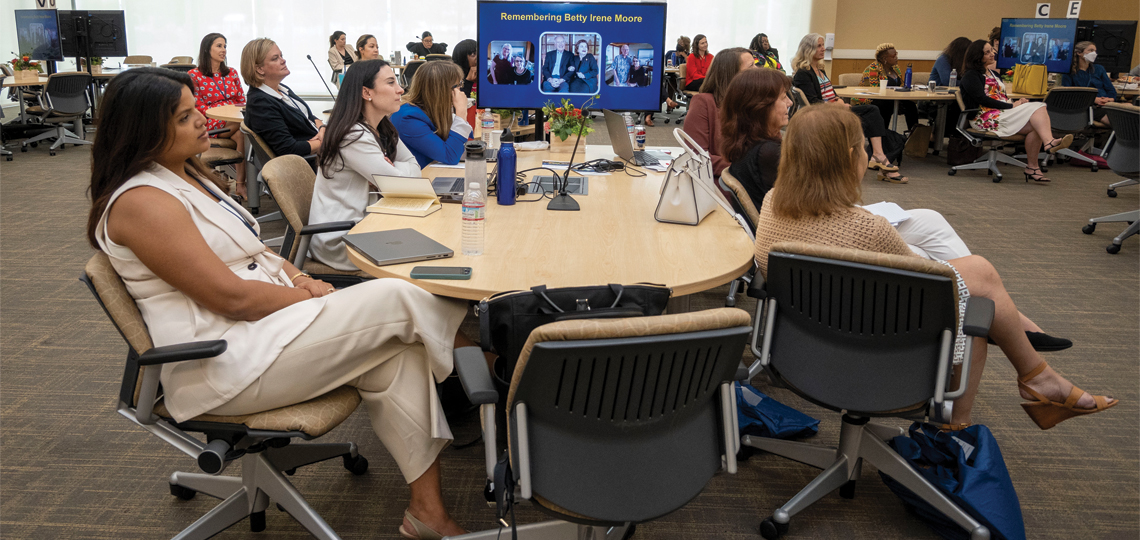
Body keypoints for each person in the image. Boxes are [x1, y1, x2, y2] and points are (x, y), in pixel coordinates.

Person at [87, 67, 477, 539]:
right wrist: (301, 295)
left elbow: (256, 248)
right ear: (145, 131)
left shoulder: (188, 176)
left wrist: (300, 274)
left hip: (266, 334)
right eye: (186, 116)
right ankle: (488, 367)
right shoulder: (141, 202)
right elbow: (229, 296)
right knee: (398, 295)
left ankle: (427, 514)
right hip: (222, 361)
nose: (203, 120)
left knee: (399, 354)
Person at [752, 104, 1117, 430]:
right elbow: (942, 294)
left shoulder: (772, 203)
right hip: (875, 355)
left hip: (799, 351)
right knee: (980, 303)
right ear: (851, 157)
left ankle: (1037, 373)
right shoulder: (867, 229)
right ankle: (958, 429)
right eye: (863, 145)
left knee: (968, 274)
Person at [724, 69, 1076, 350]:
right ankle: (1006, 322)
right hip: (843, 274)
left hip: (810, 251)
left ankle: (1009, 319)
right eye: (781, 98)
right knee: (970, 274)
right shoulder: (771, 154)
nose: (789, 102)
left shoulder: (763, 152)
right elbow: (815, 204)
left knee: (930, 220)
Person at [310, 59, 421, 271]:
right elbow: (402, 187)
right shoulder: (354, 135)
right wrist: (393, 175)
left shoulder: (382, 126)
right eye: (390, 83)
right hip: (343, 239)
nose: (400, 89)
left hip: (367, 222)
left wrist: (391, 171)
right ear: (366, 92)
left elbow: (414, 168)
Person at [791, 33, 909, 183]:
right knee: (872, 112)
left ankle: (879, 156)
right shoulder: (803, 73)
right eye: (819, 46)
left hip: (834, 110)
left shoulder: (820, 70)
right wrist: (838, 106)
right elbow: (813, 103)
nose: (823, 49)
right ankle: (879, 157)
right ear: (808, 49)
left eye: (823, 45)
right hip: (823, 115)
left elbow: (830, 93)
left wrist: (840, 101)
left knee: (872, 115)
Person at [960, 39, 1073, 182]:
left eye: (992, 50)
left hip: (1002, 113)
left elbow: (1002, 98)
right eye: (987, 52)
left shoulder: (994, 74)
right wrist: (1011, 106)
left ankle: (1032, 167)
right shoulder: (971, 76)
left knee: (1036, 125)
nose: (992, 54)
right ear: (977, 56)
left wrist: (1017, 103)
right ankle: (1049, 142)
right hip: (984, 118)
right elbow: (983, 100)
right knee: (1039, 106)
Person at [241, 38, 324, 158]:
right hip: (311, 162)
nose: (283, 60)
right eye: (275, 58)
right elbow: (288, 149)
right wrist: (327, 141)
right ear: (259, 69)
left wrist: (323, 128)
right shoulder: (260, 103)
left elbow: (308, 117)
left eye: (281, 56)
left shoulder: (282, 89)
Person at [188, 33, 247, 200]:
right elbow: (198, 107)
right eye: (219, 46)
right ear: (207, 49)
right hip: (211, 122)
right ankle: (243, 185)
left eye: (225, 46)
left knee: (241, 132)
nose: (224, 50)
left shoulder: (232, 73)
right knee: (248, 124)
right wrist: (223, 114)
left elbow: (241, 101)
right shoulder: (195, 75)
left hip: (233, 122)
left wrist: (231, 113)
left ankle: (240, 183)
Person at [682, 47, 754, 178]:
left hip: (755, 185)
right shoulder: (704, 103)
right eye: (751, 66)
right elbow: (696, 157)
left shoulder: (754, 105)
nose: (757, 70)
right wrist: (745, 168)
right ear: (732, 74)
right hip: (720, 185)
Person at [390, 61, 472, 168]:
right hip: (415, 181)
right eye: (457, 85)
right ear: (441, 90)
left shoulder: (431, 109)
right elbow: (450, 156)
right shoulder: (408, 118)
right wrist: (461, 112)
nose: (460, 90)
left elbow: (469, 136)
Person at [852, 43, 919, 131]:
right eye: (893, 56)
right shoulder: (872, 69)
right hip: (871, 100)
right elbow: (873, 90)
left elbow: (899, 86)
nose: (896, 58)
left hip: (891, 98)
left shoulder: (896, 68)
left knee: (910, 105)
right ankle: (882, 135)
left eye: (896, 55)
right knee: (885, 105)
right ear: (884, 59)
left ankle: (915, 136)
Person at [1062, 41, 1117, 125]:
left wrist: (1109, 99)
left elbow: (1111, 90)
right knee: (1121, 119)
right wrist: (1094, 100)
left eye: (1095, 51)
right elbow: (1068, 94)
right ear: (1079, 53)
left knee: (1129, 108)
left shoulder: (1099, 69)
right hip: (1088, 108)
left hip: (1107, 104)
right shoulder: (1069, 72)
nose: (1094, 53)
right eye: (1090, 50)